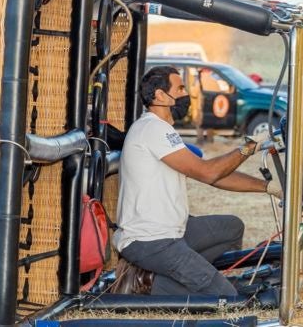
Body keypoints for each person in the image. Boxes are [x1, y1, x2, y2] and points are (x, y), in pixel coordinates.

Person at [115, 65, 281, 296]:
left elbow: (215, 176)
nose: (186, 94)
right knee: (227, 296)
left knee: (232, 227)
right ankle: (149, 284)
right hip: (150, 240)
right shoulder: (152, 129)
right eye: (180, 88)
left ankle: (175, 275)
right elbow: (209, 173)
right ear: (161, 96)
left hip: (174, 231)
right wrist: (248, 148)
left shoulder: (163, 130)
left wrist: (268, 187)